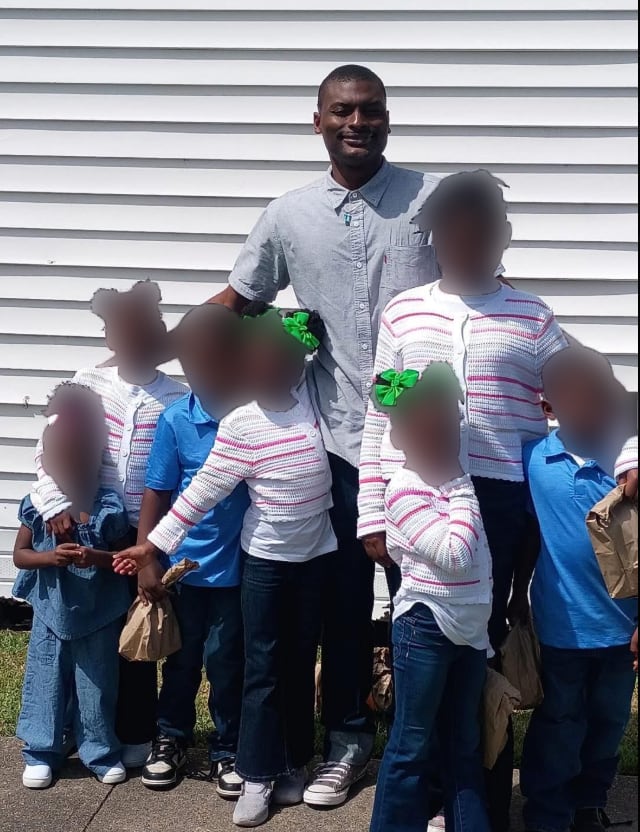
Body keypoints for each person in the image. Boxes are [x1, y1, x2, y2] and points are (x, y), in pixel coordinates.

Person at [211, 63, 443, 809]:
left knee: (430, 605)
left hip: (424, 446)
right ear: (318, 121)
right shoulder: (288, 215)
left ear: (388, 119)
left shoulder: (431, 202)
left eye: (370, 110)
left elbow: (477, 296)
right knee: (342, 605)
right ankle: (345, 739)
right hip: (337, 446)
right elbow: (240, 300)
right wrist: (190, 362)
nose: (356, 122)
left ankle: (429, 758)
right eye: (342, 111)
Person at [357, 169, 568, 831]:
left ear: (503, 237)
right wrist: (371, 509)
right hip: (417, 500)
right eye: (455, 233)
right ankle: (419, 799)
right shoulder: (404, 312)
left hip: (501, 504)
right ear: (435, 239)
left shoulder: (533, 317)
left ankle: (477, 802)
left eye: (483, 233)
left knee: (483, 652)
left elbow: (578, 395)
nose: (469, 244)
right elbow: (378, 413)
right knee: (422, 651)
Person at [115, 304, 337, 828]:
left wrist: (296, 328)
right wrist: (153, 547)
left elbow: (308, 332)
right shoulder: (240, 424)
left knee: (293, 661)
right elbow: (200, 492)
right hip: (261, 562)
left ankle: (292, 762)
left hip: (314, 560)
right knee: (256, 667)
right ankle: (253, 771)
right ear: (249, 365)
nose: (274, 369)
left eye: (285, 359)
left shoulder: (310, 403)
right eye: (263, 360)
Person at [29, 280, 187, 769]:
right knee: (87, 632)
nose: (135, 342)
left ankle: (135, 729)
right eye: (124, 332)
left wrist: (156, 544)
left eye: (146, 332)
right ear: (110, 337)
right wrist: (55, 501)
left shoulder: (176, 396)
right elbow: (46, 452)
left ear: (159, 335)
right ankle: (71, 727)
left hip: (147, 534)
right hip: (87, 526)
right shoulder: (88, 385)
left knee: (136, 629)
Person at [510, 347, 638, 832]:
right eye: (578, 400)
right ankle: (548, 812)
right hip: (561, 626)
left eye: (600, 398)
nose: (592, 409)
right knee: (560, 723)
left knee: (608, 724)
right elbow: (528, 535)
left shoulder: (627, 467)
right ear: (548, 408)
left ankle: (589, 804)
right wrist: (517, 596)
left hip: (622, 631)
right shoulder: (534, 463)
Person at [368, 363, 492, 832]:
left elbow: (481, 563)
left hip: (470, 632)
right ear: (400, 437)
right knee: (412, 743)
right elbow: (456, 555)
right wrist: (460, 485)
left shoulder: (456, 487)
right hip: (426, 626)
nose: (440, 441)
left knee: (465, 743)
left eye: (447, 431)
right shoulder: (406, 491)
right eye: (428, 432)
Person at [134, 304, 250, 794]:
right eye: (193, 365)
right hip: (183, 571)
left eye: (216, 362)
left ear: (239, 358)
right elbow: (157, 492)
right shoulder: (176, 419)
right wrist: (147, 556)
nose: (205, 375)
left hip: (239, 571)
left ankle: (228, 747)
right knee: (181, 661)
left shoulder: (255, 416)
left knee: (227, 661)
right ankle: (171, 737)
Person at [13, 383, 132, 789]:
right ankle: (41, 749)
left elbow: (123, 559)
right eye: (61, 459)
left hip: (98, 614)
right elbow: (21, 556)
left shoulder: (107, 508)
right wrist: (50, 558)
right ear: (46, 461)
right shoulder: (37, 507)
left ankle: (99, 750)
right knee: (45, 680)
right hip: (51, 612)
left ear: (96, 460)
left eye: (79, 459)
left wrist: (94, 557)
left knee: (96, 684)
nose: (71, 467)